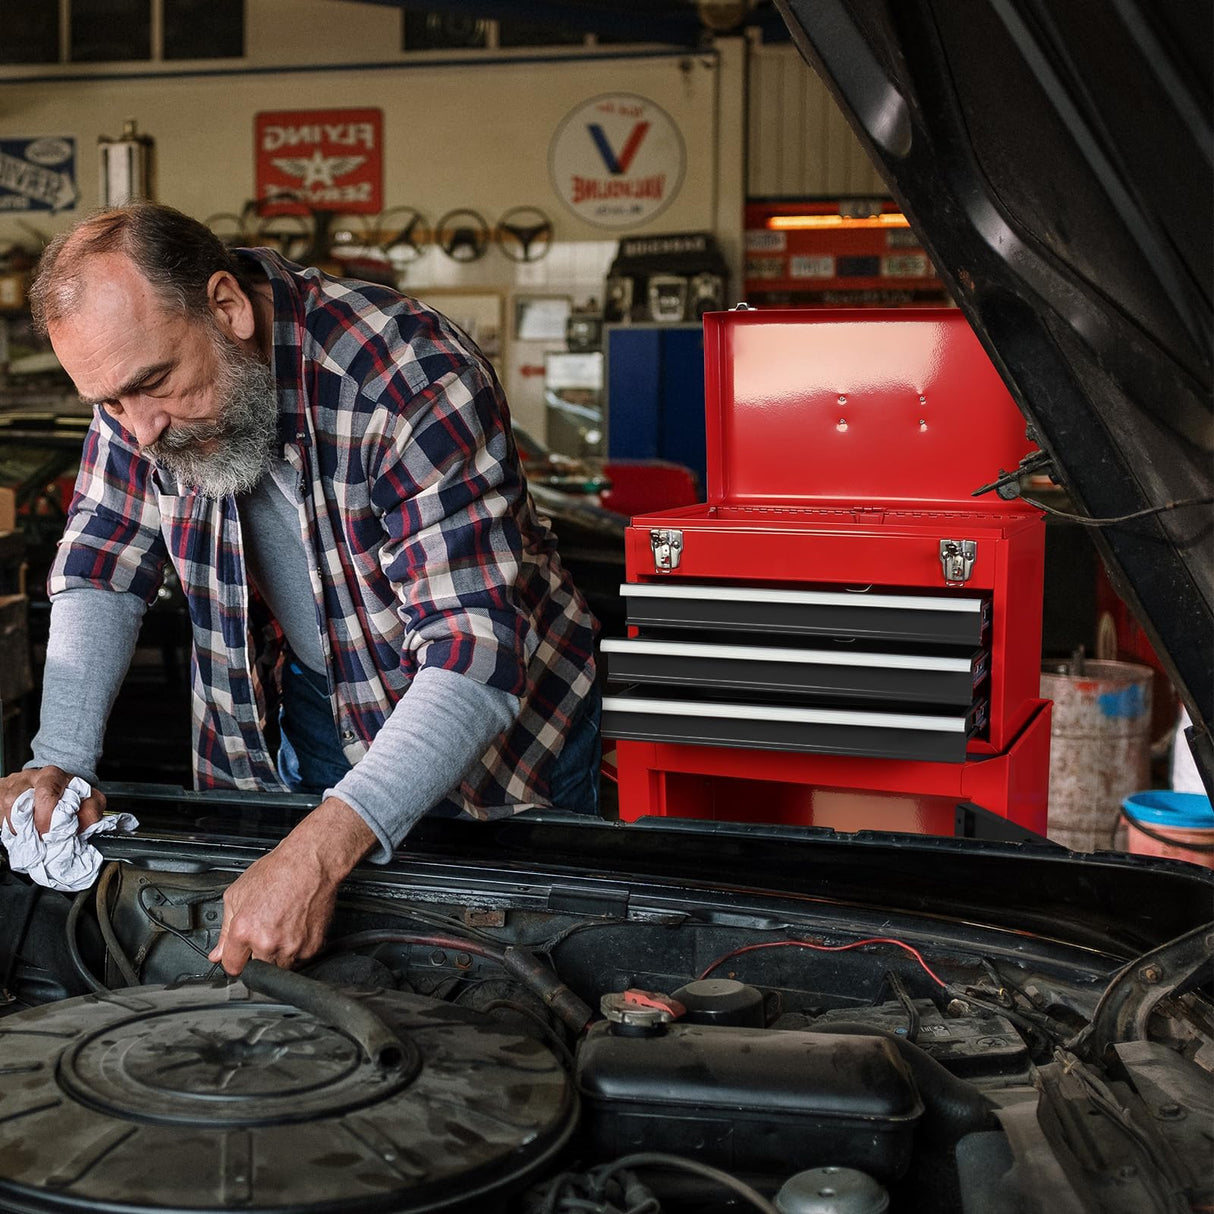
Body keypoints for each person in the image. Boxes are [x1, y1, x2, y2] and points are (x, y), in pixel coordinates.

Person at [0, 203, 599, 974]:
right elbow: (102, 561)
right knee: (324, 969)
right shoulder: (137, 395)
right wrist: (62, 758)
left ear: (227, 308)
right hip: (315, 699)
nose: (139, 431)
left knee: (499, 970)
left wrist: (319, 849)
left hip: (496, 733)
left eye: (154, 385)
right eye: (111, 404)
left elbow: (472, 651)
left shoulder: (407, 374)